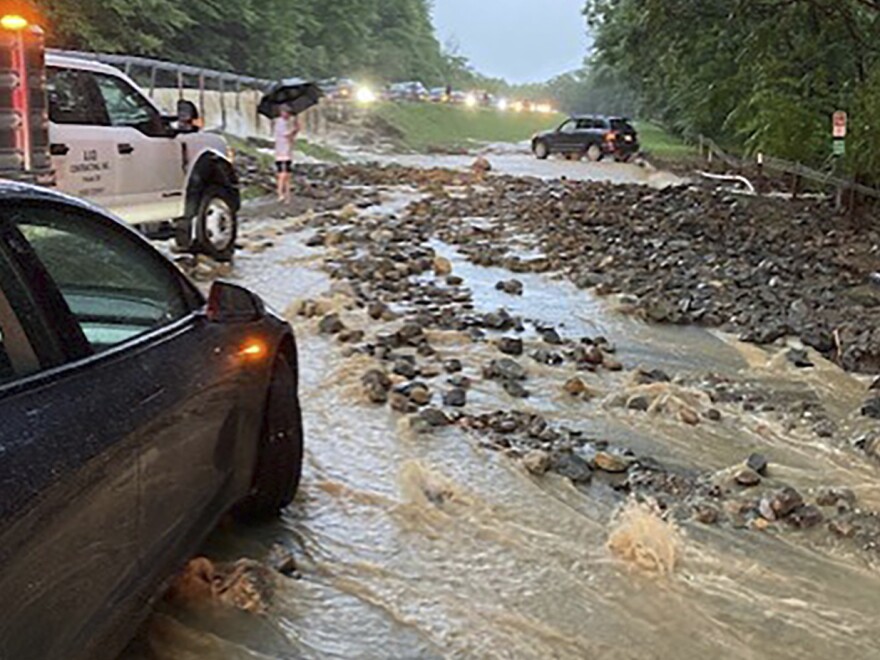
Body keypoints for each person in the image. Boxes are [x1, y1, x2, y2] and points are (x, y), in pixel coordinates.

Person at [274, 107, 300, 203]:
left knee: (288, 175)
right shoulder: (280, 123)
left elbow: (290, 138)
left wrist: (295, 130)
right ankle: (280, 194)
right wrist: (295, 130)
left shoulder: (286, 123)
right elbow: (287, 135)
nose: (288, 115)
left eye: (289, 113)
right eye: (286, 112)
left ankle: (287, 196)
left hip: (287, 152)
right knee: (282, 174)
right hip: (281, 153)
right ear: (281, 112)